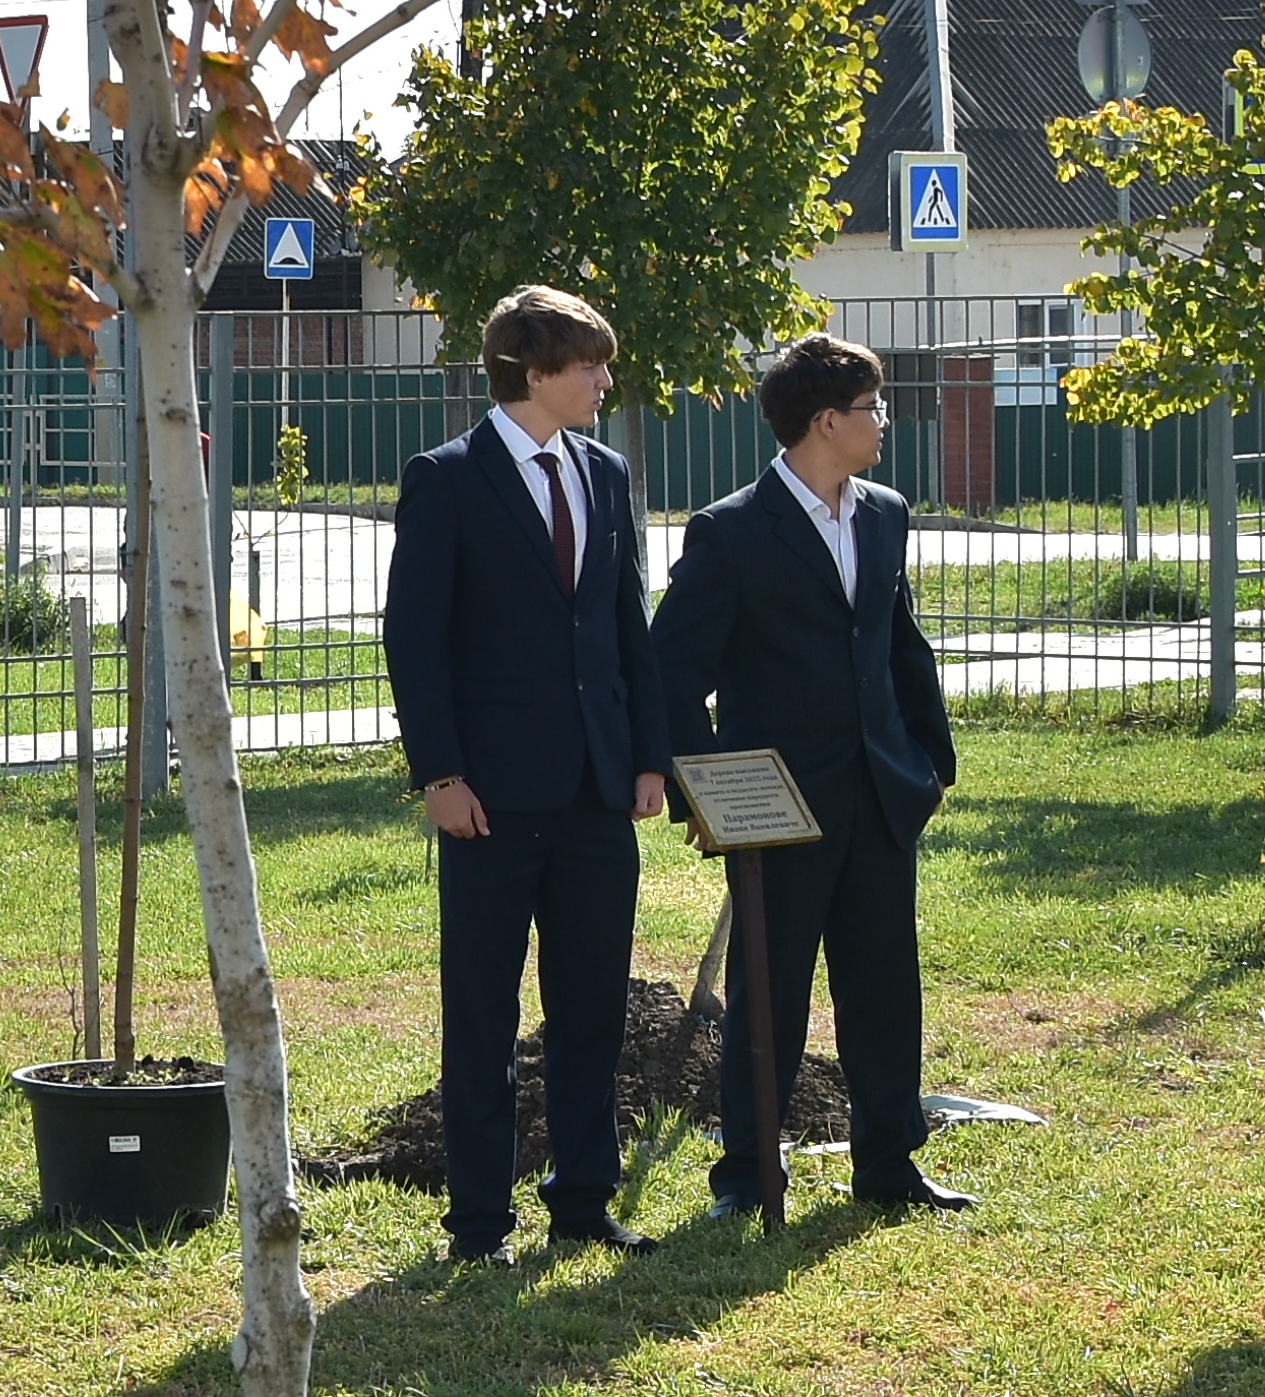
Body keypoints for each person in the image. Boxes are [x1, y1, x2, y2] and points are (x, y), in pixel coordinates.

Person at [648, 333, 970, 1217]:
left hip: (879, 797)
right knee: (770, 997)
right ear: (825, 421)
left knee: (883, 988)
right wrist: (706, 791)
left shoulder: (885, 511)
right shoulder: (732, 531)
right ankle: (748, 1178)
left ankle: (889, 1168)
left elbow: (898, 642)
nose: (885, 422)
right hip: (779, 811)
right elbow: (672, 670)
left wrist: (930, 760)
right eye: (872, 408)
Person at [382, 284, 670, 1260]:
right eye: (589, 363)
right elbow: (414, 641)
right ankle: (479, 1223)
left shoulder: (605, 472)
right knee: (484, 1017)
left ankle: (584, 1202)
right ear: (535, 371)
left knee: (591, 1009)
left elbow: (625, 626)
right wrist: (441, 775)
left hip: (597, 792)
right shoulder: (448, 478)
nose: (604, 377)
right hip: (490, 802)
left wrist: (646, 759)